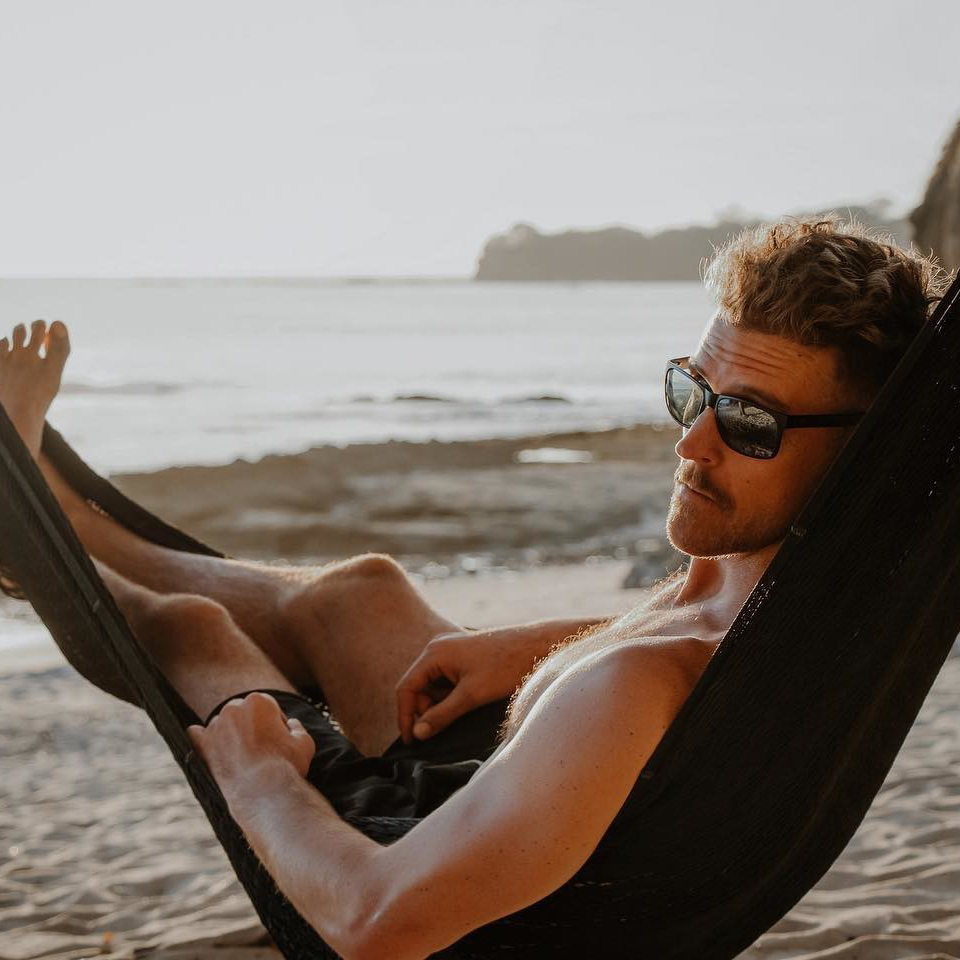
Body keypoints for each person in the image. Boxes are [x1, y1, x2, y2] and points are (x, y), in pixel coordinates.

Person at [0, 217, 946, 960]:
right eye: (691, 392)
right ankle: (53, 518)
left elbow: (377, 926)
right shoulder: (781, 586)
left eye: (748, 424)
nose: (691, 442)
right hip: (494, 788)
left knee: (194, 631)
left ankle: (36, 536)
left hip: (382, 877)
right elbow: (691, 631)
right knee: (358, 592)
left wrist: (259, 783)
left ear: (859, 454)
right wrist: (528, 648)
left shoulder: (635, 691)